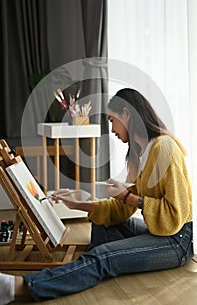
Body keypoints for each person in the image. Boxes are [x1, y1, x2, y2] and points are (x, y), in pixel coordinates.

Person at [0, 88, 193, 304]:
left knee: (104, 256)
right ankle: (86, 268)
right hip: (158, 230)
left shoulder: (164, 148)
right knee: (102, 221)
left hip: (176, 241)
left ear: (126, 114)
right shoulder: (142, 153)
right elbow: (122, 210)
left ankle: (19, 288)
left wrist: (127, 196)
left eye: (112, 120)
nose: (112, 129)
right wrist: (79, 204)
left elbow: (175, 215)